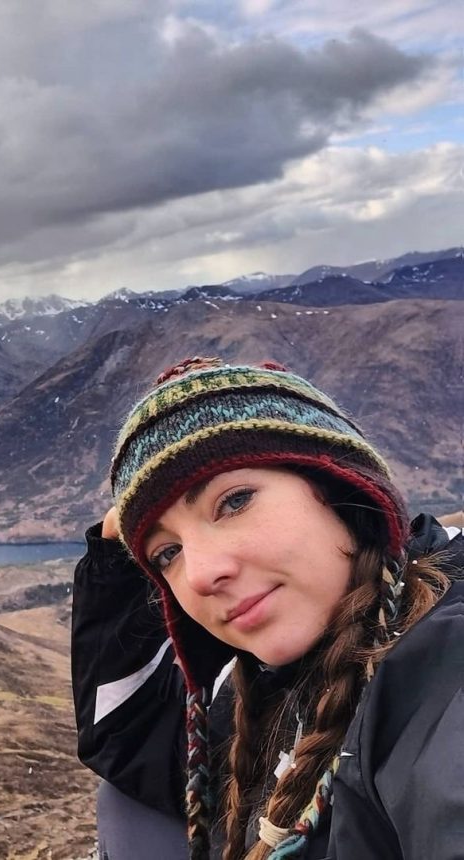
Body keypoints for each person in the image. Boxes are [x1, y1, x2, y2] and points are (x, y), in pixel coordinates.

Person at [72, 356, 463, 860]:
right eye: (168, 553)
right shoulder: (266, 686)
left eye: (234, 502)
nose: (200, 575)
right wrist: (112, 572)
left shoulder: (440, 665)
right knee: (123, 802)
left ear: (341, 488)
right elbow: (130, 741)